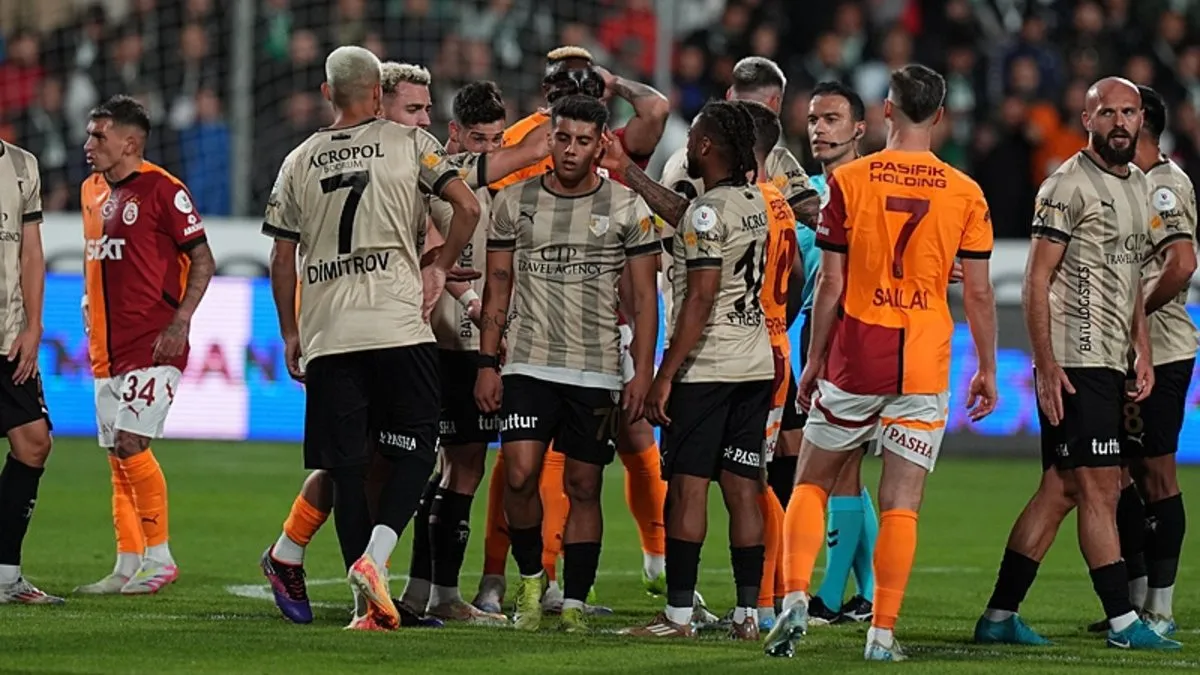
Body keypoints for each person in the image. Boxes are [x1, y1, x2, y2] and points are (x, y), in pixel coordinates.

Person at [259, 62, 548, 626]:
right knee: (387, 458)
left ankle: (328, 573)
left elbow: (282, 254)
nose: (424, 119)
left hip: (330, 330)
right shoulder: (411, 149)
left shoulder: (299, 158)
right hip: (396, 326)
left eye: (426, 109)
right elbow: (467, 204)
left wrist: (290, 331)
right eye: (414, 109)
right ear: (378, 99)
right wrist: (442, 269)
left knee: (355, 464)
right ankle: (331, 564)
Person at [763, 64, 998, 662]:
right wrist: (987, 368)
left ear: (886, 110)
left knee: (811, 482)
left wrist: (815, 360)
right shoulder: (965, 192)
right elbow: (977, 293)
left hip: (856, 355)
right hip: (922, 358)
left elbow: (831, 283)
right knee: (901, 502)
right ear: (940, 115)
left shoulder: (850, 182)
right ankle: (882, 633)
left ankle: (794, 597)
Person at [973, 77, 1180, 651]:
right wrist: (1045, 365)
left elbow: (1132, 276)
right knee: (1100, 487)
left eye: (1129, 112)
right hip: (1074, 359)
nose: (1120, 122)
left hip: (1111, 359)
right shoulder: (1065, 186)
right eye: (1107, 112)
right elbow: (1035, 279)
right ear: (1087, 120)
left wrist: (1141, 346)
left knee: (1061, 489)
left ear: (1141, 120)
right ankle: (1123, 623)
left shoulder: (1140, 185)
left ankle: (999, 616)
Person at [474, 44, 673, 614]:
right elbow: (498, 282)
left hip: (599, 358)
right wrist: (488, 360)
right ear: (548, 119)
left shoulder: (623, 185)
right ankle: (523, 577)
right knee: (518, 473)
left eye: (583, 140)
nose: (570, 149)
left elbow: (643, 297)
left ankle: (593, 591)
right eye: (562, 137)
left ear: (599, 140)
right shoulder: (517, 171)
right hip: (528, 354)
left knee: (591, 479)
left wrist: (644, 370)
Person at [613, 100, 774, 641]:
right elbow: (690, 217)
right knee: (743, 488)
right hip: (754, 365)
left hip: (707, 369)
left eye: (691, 139)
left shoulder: (708, 212)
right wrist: (630, 173)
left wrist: (665, 374)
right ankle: (748, 615)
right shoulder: (752, 201)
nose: (686, 147)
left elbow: (701, 297)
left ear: (705, 146)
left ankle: (678, 616)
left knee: (687, 488)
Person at [74, 96, 216, 596]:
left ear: (130, 142)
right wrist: (88, 302)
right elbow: (101, 260)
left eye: (99, 135)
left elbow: (204, 260)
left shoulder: (163, 190)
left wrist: (181, 322)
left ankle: (160, 558)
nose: (89, 144)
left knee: (131, 443)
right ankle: (126, 563)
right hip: (105, 348)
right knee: (117, 456)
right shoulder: (90, 190)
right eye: (90, 134)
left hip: (155, 345)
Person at [404, 81, 511, 625]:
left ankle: (420, 590)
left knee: (450, 468)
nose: (488, 149)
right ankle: (443, 593)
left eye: (497, 140)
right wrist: (471, 303)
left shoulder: (493, 182)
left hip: (467, 340)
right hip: (453, 342)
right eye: (478, 138)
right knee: (464, 468)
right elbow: (431, 255)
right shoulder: (439, 180)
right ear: (454, 133)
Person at [1111, 85, 1195, 637]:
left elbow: (1181, 263)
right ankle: (1135, 600)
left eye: (1122, 113)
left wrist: (1133, 313)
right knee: (1118, 474)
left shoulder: (1164, 186)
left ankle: (1160, 608)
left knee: (1157, 475)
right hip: (1126, 353)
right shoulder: (1132, 182)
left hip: (1162, 350)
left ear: (1141, 123)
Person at [798, 81, 877, 625]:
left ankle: (828, 595)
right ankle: (868, 593)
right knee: (845, 468)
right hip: (813, 327)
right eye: (813, 120)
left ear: (859, 129)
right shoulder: (805, 192)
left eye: (832, 119)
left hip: (856, 331)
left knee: (835, 465)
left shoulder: (872, 186)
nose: (820, 129)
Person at [740, 100, 804, 631]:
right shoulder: (780, 202)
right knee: (754, 474)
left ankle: (765, 601)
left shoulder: (744, 204)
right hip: (777, 345)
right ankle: (775, 595)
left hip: (747, 353)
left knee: (750, 477)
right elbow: (798, 276)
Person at [0, 140, 58, 604]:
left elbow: (31, 251)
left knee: (33, 443)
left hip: (9, 335)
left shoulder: (22, 165)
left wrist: (34, 326)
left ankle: (5, 575)